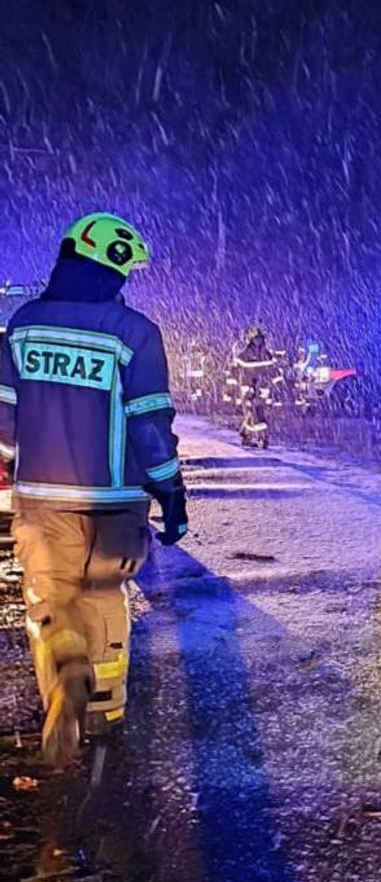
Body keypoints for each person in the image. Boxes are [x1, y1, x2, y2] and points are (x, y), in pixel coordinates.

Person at [0, 213, 187, 767]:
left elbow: (6, 421)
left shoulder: (24, 325)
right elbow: (150, 424)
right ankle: (103, 713)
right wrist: (170, 491)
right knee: (105, 597)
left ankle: (63, 664)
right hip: (115, 504)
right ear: (114, 268)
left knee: (51, 599)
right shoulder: (135, 334)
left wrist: (31, 456)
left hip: (42, 498)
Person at [228, 324, 279, 448]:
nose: (258, 341)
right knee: (250, 413)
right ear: (251, 340)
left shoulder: (266, 353)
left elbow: (273, 370)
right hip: (248, 388)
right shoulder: (244, 354)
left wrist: (276, 386)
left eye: (260, 339)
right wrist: (233, 389)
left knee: (260, 413)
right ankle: (252, 437)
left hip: (261, 388)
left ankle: (252, 435)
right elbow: (235, 371)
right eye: (256, 339)